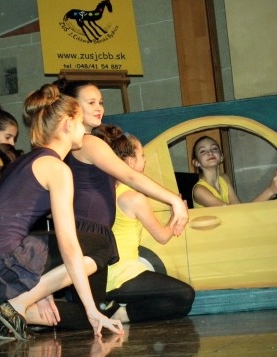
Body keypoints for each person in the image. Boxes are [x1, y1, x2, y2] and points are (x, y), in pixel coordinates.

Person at [0, 83, 125, 340]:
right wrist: (92, 310)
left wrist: (43, 290)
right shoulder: (57, 169)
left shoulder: (29, 159)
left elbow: (17, 224)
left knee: (80, 251)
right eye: (80, 123)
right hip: (0, 264)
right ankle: (15, 306)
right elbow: (68, 246)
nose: (84, 130)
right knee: (101, 243)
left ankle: (9, 308)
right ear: (67, 124)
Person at [54, 79, 189, 316]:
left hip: (90, 236)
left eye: (101, 102)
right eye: (91, 102)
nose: (99, 108)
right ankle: (23, 311)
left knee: (89, 313)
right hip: (89, 237)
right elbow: (130, 175)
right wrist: (174, 200)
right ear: (73, 106)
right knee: (86, 315)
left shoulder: (77, 144)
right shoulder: (88, 143)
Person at [98, 124, 195, 323]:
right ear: (131, 162)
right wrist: (175, 215)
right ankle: (122, 313)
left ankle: (118, 307)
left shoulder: (109, 191)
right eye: (142, 155)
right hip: (120, 277)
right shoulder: (133, 198)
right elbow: (163, 236)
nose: (145, 160)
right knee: (185, 296)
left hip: (108, 276)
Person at [191, 135, 277, 207]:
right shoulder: (199, 191)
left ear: (221, 157)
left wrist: (273, 191)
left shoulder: (224, 178)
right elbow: (236, 213)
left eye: (214, 148)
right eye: (203, 151)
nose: (210, 152)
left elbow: (238, 208)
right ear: (196, 162)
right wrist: (271, 191)